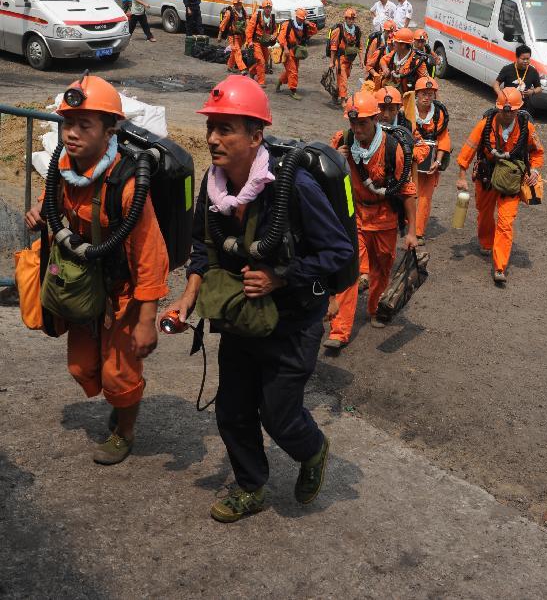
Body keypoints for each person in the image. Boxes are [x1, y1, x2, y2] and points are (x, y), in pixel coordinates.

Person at [169, 76, 354, 522]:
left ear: (256, 136)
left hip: (294, 322)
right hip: (240, 319)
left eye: (225, 129)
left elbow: (339, 251)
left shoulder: (292, 188)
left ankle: (312, 450)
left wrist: (281, 277)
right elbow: (201, 244)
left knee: (279, 414)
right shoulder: (213, 188)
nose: (213, 139)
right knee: (232, 411)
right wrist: (189, 294)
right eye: (211, 127)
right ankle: (250, 486)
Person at [24, 75, 169, 464]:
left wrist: (146, 318)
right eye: (67, 124)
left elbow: (150, 255)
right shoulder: (62, 166)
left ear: (109, 131)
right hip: (83, 287)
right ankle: (122, 396)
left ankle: (125, 428)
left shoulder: (126, 182)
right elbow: (51, 204)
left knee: (117, 377)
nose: (71, 133)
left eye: (84, 125)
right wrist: (40, 212)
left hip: (122, 295)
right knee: (81, 367)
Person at [325, 91, 417, 347]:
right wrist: (336, 161)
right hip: (353, 215)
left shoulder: (392, 148)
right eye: (353, 123)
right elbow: (325, 178)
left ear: (375, 119)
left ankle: (375, 307)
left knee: (383, 265)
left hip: (385, 216)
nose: (357, 128)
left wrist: (412, 232)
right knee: (351, 269)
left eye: (362, 123)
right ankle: (339, 331)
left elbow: (407, 191)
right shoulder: (342, 141)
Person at [456, 87, 544, 283]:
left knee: (506, 222)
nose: (507, 113)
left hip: (511, 182)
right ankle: (486, 242)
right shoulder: (484, 124)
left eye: (511, 110)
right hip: (486, 179)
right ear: (497, 108)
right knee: (484, 213)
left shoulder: (526, 127)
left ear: (518, 109)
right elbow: (469, 148)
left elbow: (538, 152)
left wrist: (535, 172)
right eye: (504, 110)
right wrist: (462, 174)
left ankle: (500, 267)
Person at [414, 77, 451, 243]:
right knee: (407, 193)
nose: (427, 97)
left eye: (430, 94)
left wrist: (438, 161)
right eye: (424, 93)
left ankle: (418, 232)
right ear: (417, 93)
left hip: (430, 163)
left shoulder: (439, 114)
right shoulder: (406, 110)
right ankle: (405, 222)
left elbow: (443, 138)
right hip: (410, 161)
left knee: (424, 197)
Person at [276, 8, 317, 100]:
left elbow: (314, 31)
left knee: (292, 70)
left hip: (297, 51)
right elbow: (281, 38)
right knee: (293, 71)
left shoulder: (304, 26)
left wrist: (309, 24)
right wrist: (286, 48)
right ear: (296, 17)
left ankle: (279, 81)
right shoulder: (287, 25)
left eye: (303, 19)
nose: (301, 20)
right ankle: (293, 91)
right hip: (288, 50)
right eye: (300, 18)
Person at [328, 8, 363, 105]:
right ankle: (343, 100)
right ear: (345, 19)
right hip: (340, 59)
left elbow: (359, 46)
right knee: (343, 79)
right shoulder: (338, 30)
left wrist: (361, 60)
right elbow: (333, 47)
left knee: (344, 78)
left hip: (350, 60)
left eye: (353, 19)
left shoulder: (356, 31)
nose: (351, 21)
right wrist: (331, 62)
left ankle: (335, 94)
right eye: (349, 19)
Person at [493, 45, 542, 111]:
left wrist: (532, 91)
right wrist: (500, 95)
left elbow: (539, 88)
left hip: (524, 107)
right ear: (517, 57)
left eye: (527, 59)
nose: (525, 61)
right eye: (523, 59)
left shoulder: (533, 71)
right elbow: (496, 84)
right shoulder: (507, 69)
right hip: (508, 105)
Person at [380, 28, 428, 94]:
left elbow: (426, 81)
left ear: (403, 45)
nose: (393, 43)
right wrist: (385, 69)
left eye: (395, 42)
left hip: (407, 97)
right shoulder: (394, 54)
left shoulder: (417, 61)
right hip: (391, 93)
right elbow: (383, 60)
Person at [245, 0, 277, 86]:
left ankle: (252, 71)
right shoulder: (257, 16)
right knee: (261, 61)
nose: (268, 9)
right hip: (256, 42)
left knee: (265, 61)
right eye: (266, 7)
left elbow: (275, 30)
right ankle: (261, 81)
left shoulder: (272, 17)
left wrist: (274, 35)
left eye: (270, 7)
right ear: (263, 8)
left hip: (265, 42)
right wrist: (249, 41)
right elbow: (249, 30)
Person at [219, 0, 248, 73]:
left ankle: (230, 66)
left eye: (239, 4)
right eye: (237, 4)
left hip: (241, 35)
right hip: (233, 36)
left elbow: (247, 21)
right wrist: (219, 36)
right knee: (237, 51)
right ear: (234, 4)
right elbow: (223, 24)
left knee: (234, 52)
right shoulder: (229, 12)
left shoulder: (243, 11)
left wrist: (247, 34)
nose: (238, 5)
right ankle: (242, 68)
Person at [364, 19, 396, 90]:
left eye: (392, 32)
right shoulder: (377, 42)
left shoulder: (397, 47)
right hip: (376, 73)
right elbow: (369, 62)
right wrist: (373, 74)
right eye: (388, 31)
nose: (390, 34)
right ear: (384, 30)